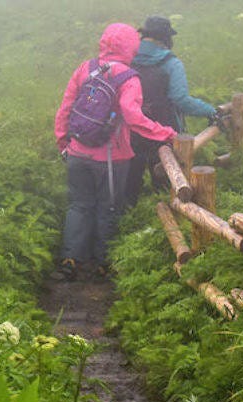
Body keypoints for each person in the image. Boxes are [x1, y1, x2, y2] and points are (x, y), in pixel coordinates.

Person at [54, 23, 177, 281]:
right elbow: (133, 117)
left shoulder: (85, 68)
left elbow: (66, 107)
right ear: (131, 47)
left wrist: (62, 141)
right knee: (108, 207)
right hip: (111, 158)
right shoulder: (129, 78)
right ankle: (103, 263)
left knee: (78, 205)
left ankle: (70, 259)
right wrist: (164, 133)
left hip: (77, 152)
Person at [125, 16, 220, 207]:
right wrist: (210, 111)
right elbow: (181, 99)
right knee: (167, 184)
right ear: (165, 38)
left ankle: (127, 221)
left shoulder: (127, 59)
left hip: (131, 131)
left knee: (129, 185)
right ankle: (168, 220)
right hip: (163, 132)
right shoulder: (171, 63)